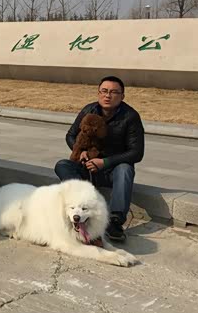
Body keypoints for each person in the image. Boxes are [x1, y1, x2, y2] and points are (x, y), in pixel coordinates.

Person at [54, 76, 145, 242]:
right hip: (87, 169)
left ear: (122, 96)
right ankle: (81, 206)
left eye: (114, 92)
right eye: (104, 91)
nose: (108, 95)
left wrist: (105, 162)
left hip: (112, 171)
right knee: (62, 165)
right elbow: (71, 135)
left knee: (125, 168)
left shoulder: (130, 117)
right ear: (98, 93)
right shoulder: (89, 110)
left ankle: (114, 221)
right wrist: (80, 151)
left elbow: (136, 153)